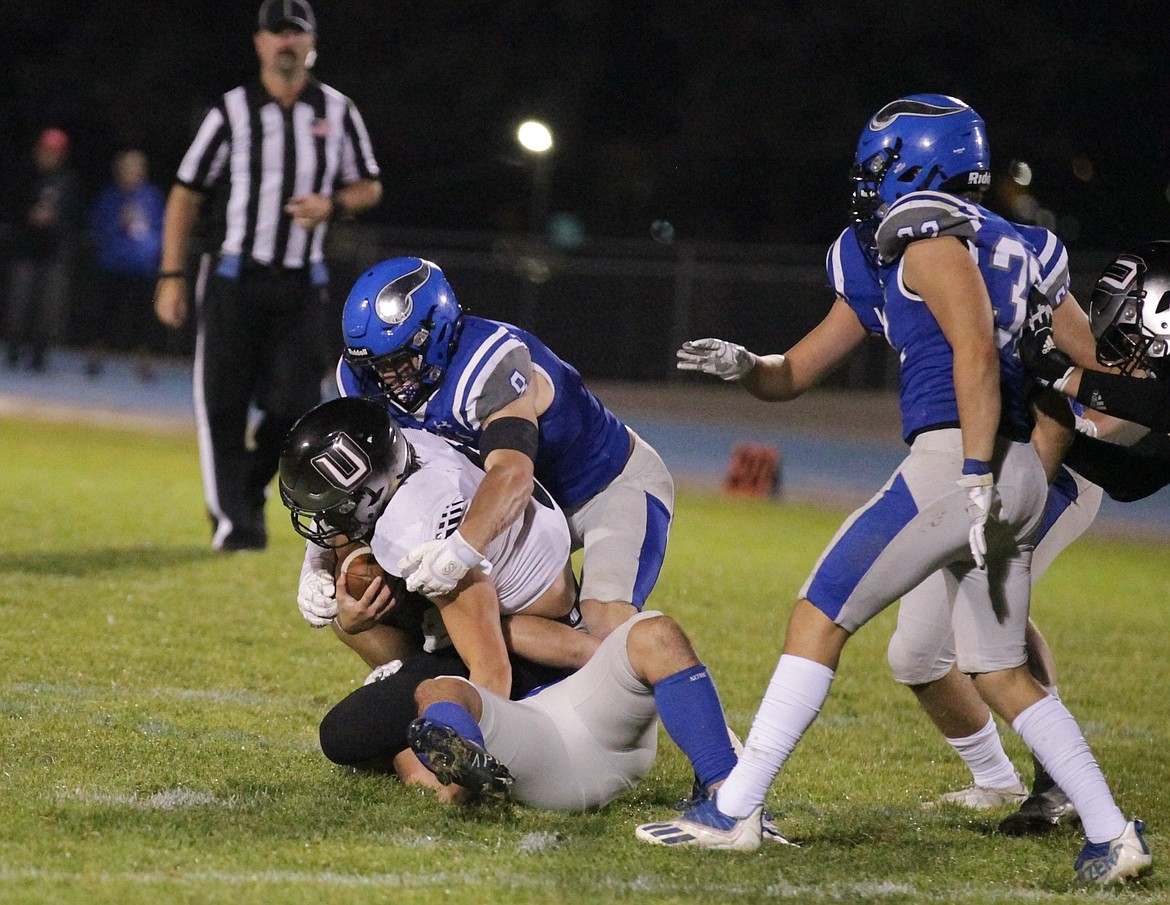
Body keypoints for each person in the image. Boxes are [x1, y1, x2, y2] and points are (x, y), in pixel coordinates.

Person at [640, 95, 1150, 886]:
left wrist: (973, 469)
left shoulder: (927, 242)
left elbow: (976, 353)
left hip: (962, 460)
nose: (867, 185)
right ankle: (1113, 831)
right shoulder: (1019, 245)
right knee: (997, 667)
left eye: (880, 168)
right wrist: (750, 366)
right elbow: (798, 372)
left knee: (820, 609)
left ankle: (735, 806)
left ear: (921, 166)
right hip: (1017, 471)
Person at [296, 256, 673, 641]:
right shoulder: (364, 379)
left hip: (602, 487)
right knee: (384, 590)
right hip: (525, 512)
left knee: (604, 621)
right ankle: (423, 684)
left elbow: (512, 474)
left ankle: (667, 678)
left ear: (437, 333)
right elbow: (358, 479)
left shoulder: (487, 361)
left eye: (399, 360)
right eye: (375, 364)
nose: (386, 377)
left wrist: (459, 551)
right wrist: (318, 561)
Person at [155, 0, 382, 552]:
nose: (285, 43)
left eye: (294, 34)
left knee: (296, 406)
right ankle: (233, 523)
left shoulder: (337, 111)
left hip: (302, 282)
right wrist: (171, 274)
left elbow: (369, 185)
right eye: (275, 33)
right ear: (259, 43)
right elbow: (186, 192)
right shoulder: (231, 113)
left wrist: (331, 205)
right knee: (224, 406)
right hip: (234, 278)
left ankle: (247, 491)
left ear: (310, 43)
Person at [279, 396, 601, 779]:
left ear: (368, 495)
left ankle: (444, 693)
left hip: (530, 644)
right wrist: (316, 565)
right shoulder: (407, 450)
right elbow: (346, 524)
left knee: (347, 737)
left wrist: (469, 758)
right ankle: (416, 673)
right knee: (348, 582)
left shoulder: (419, 529)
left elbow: (491, 667)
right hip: (507, 603)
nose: (322, 523)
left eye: (332, 507)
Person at [4, 127, 80, 372]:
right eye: (46, 150)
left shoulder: (68, 182)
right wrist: (28, 216)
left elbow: (76, 218)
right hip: (25, 251)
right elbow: (9, 210)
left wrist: (55, 222)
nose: (49, 155)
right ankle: (13, 351)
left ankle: (39, 357)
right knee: (18, 305)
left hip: (54, 254)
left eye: (54, 152)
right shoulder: (23, 177)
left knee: (48, 309)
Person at [88, 149, 166, 380]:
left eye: (137, 169)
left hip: (142, 267)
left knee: (143, 318)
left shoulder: (152, 197)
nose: (133, 173)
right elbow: (99, 229)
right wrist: (117, 223)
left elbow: (161, 229)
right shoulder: (110, 197)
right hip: (113, 265)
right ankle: (95, 356)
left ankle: (144, 362)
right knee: (105, 314)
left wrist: (152, 253)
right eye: (128, 169)